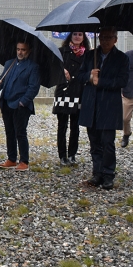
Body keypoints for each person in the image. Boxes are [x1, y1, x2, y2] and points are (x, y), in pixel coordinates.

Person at [77, 27, 129, 190]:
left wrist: (102, 82)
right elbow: (79, 76)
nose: (105, 41)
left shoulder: (122, 58)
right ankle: (97, 172)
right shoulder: (90, 55)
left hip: (109, 105)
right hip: (91, 104)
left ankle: (108, 174)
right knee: (94, 142)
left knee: (107, 142)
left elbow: (122, 81)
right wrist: (89, 76)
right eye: (103, 37)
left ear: (115, 39)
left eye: (109, 37)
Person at [0, 41, 41, 171]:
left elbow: (33, 87)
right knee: (9, 132)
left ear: (29, 51)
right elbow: (2, 81)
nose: (20, 52)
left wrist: (23, 102)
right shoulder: (9, 64)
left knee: (20, 133)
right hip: (6, 103)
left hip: (21, 105)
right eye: (18, 49)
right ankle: (11, 158)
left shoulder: (33, 67)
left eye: (23, 50)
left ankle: (24, 160)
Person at [53, 31, 90, 166]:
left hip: (79, 91)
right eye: (75, 34)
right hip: (64, 91)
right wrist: (61, 71)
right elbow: (53, 67)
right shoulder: (61, 51)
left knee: (75, 126)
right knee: (62, 125)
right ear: (70, 36)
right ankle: (62, 155)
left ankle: (72, 154)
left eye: (80, 34)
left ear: (84, 37)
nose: (77, 37)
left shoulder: (88, 54)